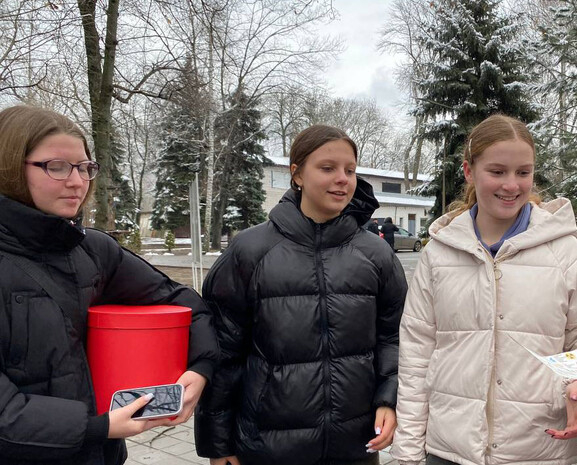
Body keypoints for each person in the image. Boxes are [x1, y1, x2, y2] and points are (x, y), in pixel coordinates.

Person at [390, 114, 577, 465]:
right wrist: (406, 455)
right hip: (449, 451)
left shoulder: (563, 250)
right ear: (469, 171)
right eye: (497, 172)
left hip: (539, 450)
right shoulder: (439, 253)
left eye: (523, 173)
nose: (512, 185)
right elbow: (417, 355)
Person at [0, 105, 219, 465]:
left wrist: (200, 368)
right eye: (56, 166)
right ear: (9, 167)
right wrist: (97, 427)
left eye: (85, 168)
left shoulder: (92, 250)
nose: (77, 182)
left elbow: (183, 302)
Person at [194, 125, 407, 465]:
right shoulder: (249, 251)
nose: (343, 179)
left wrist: (388, 399)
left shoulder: (376, 254)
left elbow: (394, 338)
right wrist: (219, 446)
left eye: (350, 170)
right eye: (327, 168)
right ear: (297, 174)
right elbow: (222, 354)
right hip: (266, 448)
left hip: (353, 447)